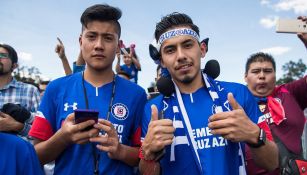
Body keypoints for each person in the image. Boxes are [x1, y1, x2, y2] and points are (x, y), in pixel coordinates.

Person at [139, 12, 278, 175]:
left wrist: (254, 135)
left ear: (203, 49)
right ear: (162, 60)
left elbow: (272, 163)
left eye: (187, 45)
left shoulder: (237, 94)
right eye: (170, 50)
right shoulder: (154, 109)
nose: (181, 56)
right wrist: (147, 153)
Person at [29, 4, 147, 175]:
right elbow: (35, 156)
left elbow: (145, 156)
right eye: (91, 36)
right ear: (80, 41)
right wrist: (63, 137)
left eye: (107, 38)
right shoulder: (56, 89)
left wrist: (120, 150)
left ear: (117, 46)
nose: (99, 45)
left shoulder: (137, 94)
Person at [244, 16, 307, 174]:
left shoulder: (289, 92)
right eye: (256, 71)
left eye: (267, 71)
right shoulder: (235, 102)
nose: (262, 75)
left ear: (275, 76)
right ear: (246, 77)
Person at [0, 43, 40, 141]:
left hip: (15, 154)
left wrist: (17, 126)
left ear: (14, 65)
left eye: (2, 55)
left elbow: (42, 131)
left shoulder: (30, 91)